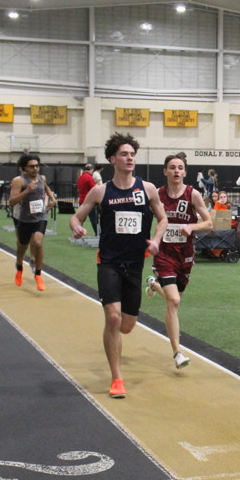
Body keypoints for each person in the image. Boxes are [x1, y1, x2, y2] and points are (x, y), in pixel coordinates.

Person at [70, 133, 168, 399]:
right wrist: (77, 227)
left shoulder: (147, 189)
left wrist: (156, 240)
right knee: (113, 318)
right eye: (124, 154)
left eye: (132, 154)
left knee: (126, 326)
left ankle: (119, 340)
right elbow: (76, 218)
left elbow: (162, 219)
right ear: (112, 159)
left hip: (135, 264)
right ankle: (117, 378)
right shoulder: (100, 191)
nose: (130, 158)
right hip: (109, 262)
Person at [144, 151, 213, 368]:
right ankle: (177, 353)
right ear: (165, 171)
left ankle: (154, 285)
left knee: (175, 299)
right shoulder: (157, 194)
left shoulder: (193, 194)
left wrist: (192, 226)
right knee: (173, 301)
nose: (176, 171)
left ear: (185, 172)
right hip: (164, 254)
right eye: (172, 167)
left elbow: (209, 223)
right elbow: (144, 217)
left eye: (180, 168)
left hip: (185, 255)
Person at [7, 154, 57, 290]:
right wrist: (27, 191)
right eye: (31, 166)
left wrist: (53, 199)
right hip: (25, 218)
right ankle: (19, 267)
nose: (35, 168)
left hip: (40, 216)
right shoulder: (19, 181)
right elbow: (11, 201)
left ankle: (38, 275)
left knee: (38, 243)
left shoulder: (42, 178)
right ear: (24, 168)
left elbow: (46, 188)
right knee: (22, 246)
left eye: (37, 166)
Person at [76, 163, 98, 236]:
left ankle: (77, 233)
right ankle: (98, 234)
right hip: (89, 202)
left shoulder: (80, 178)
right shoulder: (89, 178)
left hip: (81, 201)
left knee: (80, 219)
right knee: (94, 219)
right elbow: (95, 189)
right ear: (91, 169)